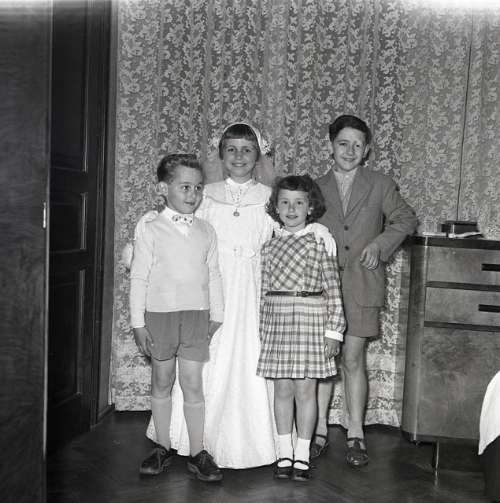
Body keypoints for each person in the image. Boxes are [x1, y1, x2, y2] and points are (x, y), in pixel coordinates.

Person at [143, 122, 338, 469]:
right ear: (220, 154)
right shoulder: (205, 194)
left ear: (258, 155)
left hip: (253, 290)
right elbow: (178, 223)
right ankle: (187, 441)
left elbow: (292, 229)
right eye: (231, 149)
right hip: (209, 288)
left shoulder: (270, 197)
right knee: (201, 365)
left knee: (251, 357)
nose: (239, 156)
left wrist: (318, 230)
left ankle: (262, 445)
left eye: (247, 150)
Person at [314, 114, 417, 467]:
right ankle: (318, 429)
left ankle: (355, 432)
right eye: (343, 143)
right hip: (320, 289)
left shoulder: (380, 184)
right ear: (330, 145)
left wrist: (379, 245)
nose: (349, 151)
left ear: (367, 149)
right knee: (322, 361)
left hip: (362, 284)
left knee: (352, 359)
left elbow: (406, 219)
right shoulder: (314, 187)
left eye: (357, 145)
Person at [129, 154, 224, 482]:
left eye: (198, 187)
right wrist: (138, 324)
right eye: (185, 187)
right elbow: (138, 277)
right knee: (162, 380)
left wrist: (217, 313)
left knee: (193, 383)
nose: (192, 194)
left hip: (197, 315)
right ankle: (162, 447)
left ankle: (198, 452)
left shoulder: (206, 230)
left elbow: (214, 273)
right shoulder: (150, 229)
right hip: (160, 316)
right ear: (163, 188)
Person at [256, 175, 346, 481]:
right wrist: (263, 330)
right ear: (276, 207)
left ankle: (303, 453)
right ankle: (284, 451)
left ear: (310, 207)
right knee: (282, 389)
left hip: (311, 321)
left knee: (306, 391)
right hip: (278, 322)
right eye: (284, 202)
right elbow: (263, 292)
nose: (291, 209)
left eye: (298, 202)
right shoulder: (269, 246)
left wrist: (334, 331)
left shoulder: (319, 241)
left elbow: (333, 290)